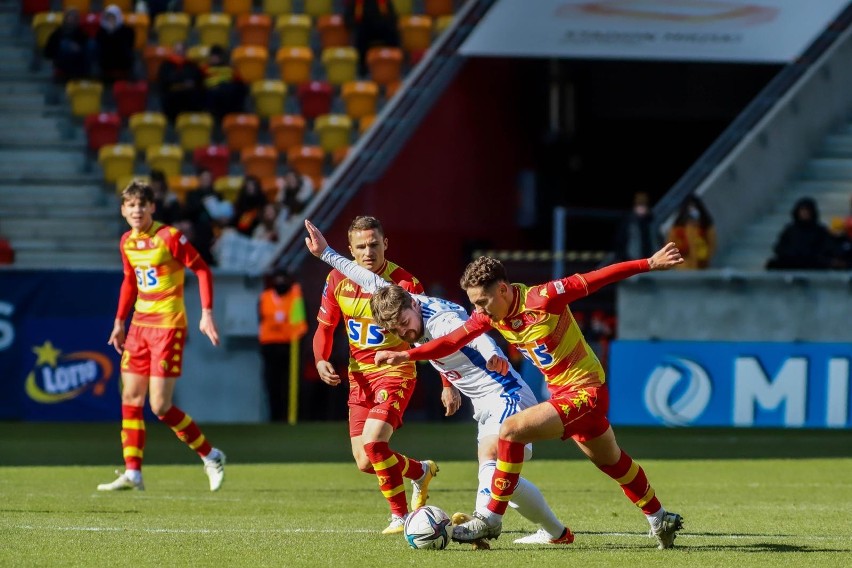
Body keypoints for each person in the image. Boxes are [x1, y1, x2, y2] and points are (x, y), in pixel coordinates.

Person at [374, 243, 686, 549]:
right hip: (565, 395)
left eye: (483, 301)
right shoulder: (489, 315)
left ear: (504, 290)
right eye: (475, 304)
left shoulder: (544, 297)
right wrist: (407, 356)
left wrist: (649, 263)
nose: (479, 310)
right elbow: (451, 342)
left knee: (511, 431)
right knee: (614, 463)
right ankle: (660, 518)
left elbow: (598, 277)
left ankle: (490, 519)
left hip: (585, 391)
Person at [305, 220, 574, 546]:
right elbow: (365, 277)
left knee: (493, 460)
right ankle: (556, 533)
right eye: (397, 331)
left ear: (413, 304)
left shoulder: (441, 320)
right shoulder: (401, 301)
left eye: (404, 325)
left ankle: (484, 523)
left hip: (505, 393)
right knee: (506, 479)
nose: (404, 333)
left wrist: (491, 353)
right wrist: (326, 253)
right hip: (485, 402)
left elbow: (472, 333)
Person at [312, 215, 436, 535]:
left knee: (374, 442)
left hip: (396, 371)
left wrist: (448, 384)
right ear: (350, 251)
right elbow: (325, 328)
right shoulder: (336, 280)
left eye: (374, 244)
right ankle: (421, 472)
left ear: (385, 245)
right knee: (366, 461)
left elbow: (432, 338)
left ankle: (401, 517)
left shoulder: (405, 285)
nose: (369, 252)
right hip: (359, 377)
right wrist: (320, 359)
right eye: (361, 246)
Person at [98, 180, 225, 492]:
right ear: (123, 210)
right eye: (131, 205)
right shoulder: (127, 241)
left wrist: (206, 313)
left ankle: (211, 455)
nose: (137, 210)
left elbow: (203, 270)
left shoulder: (169, 237)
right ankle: (133, 472)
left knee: (160, 406)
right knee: (130, 397)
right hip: (139, 327)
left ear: (152, 207)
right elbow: (130, 280)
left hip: (168, 326)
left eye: (142, 204)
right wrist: (119, 321)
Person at [257, 268, 308, 422]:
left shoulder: (295, 295)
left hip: (289, 346)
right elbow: (261, 320)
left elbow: (300, 323)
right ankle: (274, 418)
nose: (280, 283)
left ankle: (290, 417)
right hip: (269, 346)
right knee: (272, 384)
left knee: (289, 384)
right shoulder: (265, 297)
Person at [766, 197, 836, 270]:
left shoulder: (820, 230)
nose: (805, 213)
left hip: (812, 263)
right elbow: (779, 248)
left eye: (807, 211)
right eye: (802, 210)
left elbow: (827, 248)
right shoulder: (790, 230)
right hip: (792, 262)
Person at [343, 0, 400, 76]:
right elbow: (348, 18)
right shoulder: (356, 2)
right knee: (360, 36)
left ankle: (394, 63)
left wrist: (387, 23)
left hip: (382, 28)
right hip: (364, 30)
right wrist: (355, 25)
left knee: (393, 34)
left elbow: (393, 17)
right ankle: (362, 68)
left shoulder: (384, 2)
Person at [157, 42, 206, 123]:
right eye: (178, 50)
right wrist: (183, 82)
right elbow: (165, 81)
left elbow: (197, 81)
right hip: (172, 97)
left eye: (182, 50)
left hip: (190, 98)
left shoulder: (192, 65)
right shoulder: (166, 65)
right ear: (174, 51)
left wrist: (180, 81)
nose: (180, 53)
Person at [666, 194, 716, 269]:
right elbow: (670, 247)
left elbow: (712, 245)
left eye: (694, 207)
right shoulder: (677, 228)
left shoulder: (706, 227)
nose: (692, 211)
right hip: (683, 268)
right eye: (690, 208)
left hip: (702, 267)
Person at [43, 8, 91, 82]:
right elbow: (48, 50)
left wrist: (78, 47)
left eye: (74, 17)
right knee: (64, 44)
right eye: (70, 16)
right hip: (62, 60)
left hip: (78, 61)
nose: (72, 19)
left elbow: (85, 47)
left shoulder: (81, 33)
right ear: (66, 18)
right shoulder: (58, 32)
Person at [203, 44, 248, 122]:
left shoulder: (230, 69)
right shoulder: (205, 69)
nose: (214, 58)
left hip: (228, 95)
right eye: (213, 56)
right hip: (213, 96)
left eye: (216, 56)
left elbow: (241, 83)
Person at [612, 191, 659, 262]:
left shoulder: (652, 222)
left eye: (644, 206)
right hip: (633, 260)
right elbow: (620, 241)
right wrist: (622, 257)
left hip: (651, 260)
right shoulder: (628, 222)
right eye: (640, 205)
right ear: (635, 206)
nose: (642, 208)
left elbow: (657, 239)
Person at [95, 4, 136, 83]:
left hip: (122, 60)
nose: (110, 20)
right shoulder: (101, 32)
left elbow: (127, 45)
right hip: (106, 61)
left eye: (112, 17)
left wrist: (114, 33)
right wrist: (109, 33)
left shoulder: (128, 31)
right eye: (108, 17)